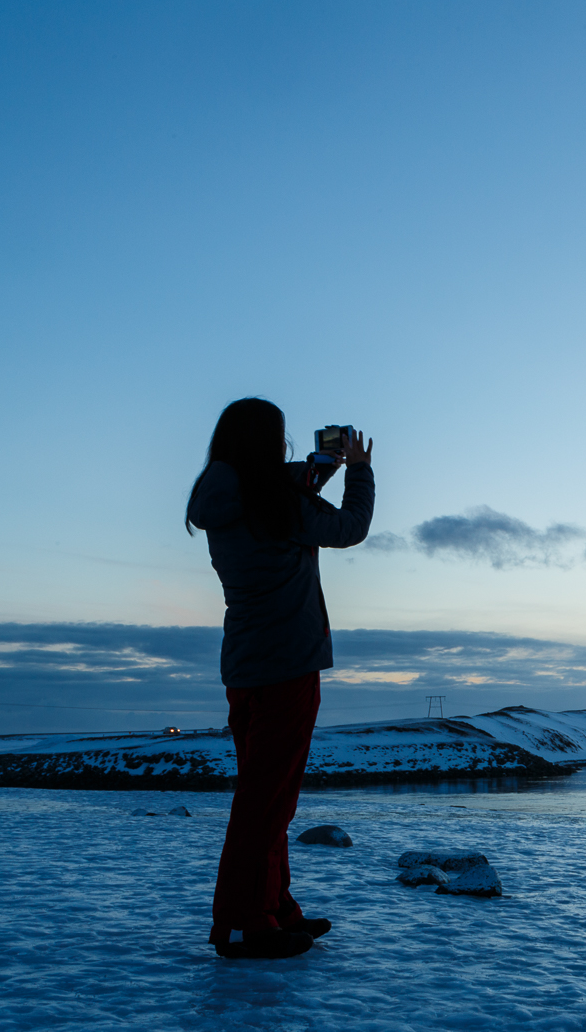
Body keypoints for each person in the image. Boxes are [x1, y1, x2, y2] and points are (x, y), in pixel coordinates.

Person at [184, 397, 374, 959]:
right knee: (265, 803)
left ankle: (273, 908)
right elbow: (350, 527)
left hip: (245, 669)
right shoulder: (280, 507)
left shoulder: (226, 499)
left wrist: (320, 467)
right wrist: (358, 471)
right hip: (289, 665)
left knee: (266, 797)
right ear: (269, 444)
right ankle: (244, 923)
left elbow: (274, 487)